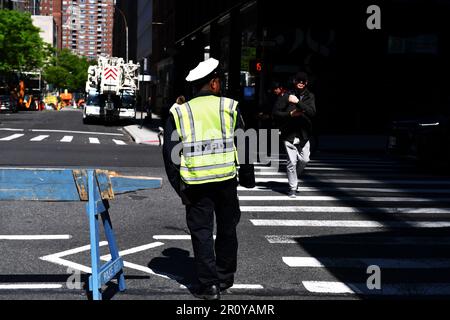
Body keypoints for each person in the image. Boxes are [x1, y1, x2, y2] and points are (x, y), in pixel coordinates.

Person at [163, 58, 250, 300]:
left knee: (201, 231)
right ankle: (224, 276)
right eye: (219, 81)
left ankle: (210, 286)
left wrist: (179, 185)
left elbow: (170, 154)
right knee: (227, 227)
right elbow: (243, 141)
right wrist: (247, 175)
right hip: (225, 180)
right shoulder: (229, 107)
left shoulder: (180, 112)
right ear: (213, 83)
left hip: (195, 183)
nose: (220, 85)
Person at [272, 72, 316, 198]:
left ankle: (294, 180)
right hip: (289, 133)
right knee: (291, 161)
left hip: (304, 134)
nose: (300, 83)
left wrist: (298, 102)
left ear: (306, 83)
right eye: (298, 81)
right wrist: (290, 114)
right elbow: (275, 113)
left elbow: (312, 112)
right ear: (294, 81)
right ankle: (292, 188)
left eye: (303, 81)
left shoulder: (310, 96)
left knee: (304, 159)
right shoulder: (286, 95)